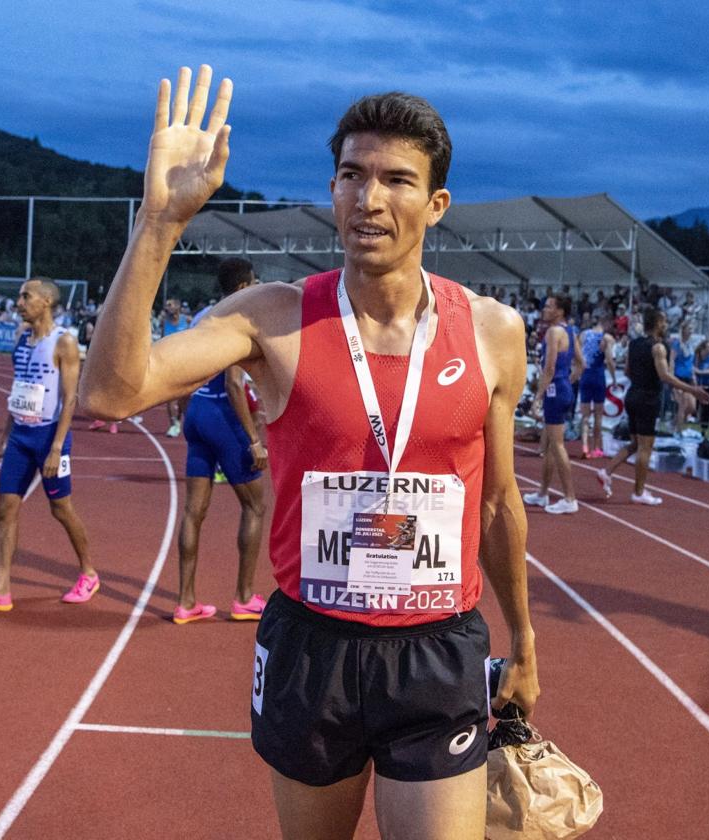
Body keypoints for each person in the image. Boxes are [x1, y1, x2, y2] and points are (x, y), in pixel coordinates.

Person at [80, 66, 538, 840]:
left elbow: (497, 503)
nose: (370, 199)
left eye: (397, 180)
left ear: (436, 204)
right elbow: (111, 393)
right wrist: (159, 223)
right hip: (313, 646)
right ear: (332, 189)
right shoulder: (274, 319)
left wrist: (525, 641)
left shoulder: (492, 331)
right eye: (352, 176)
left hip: (436, 648)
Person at [0, 278, 99, 611]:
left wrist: (56, 447)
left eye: (25, 296)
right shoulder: (21, 339)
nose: (18, 302)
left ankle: (88, 572)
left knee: (60, 509)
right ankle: (1, 589)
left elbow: (69, 399)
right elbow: (18, 389)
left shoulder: (64, 342)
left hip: (49, 436)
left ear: (46, 301)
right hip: (20, 435)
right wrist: (5, 437)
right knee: (5, 508)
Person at [175, 257, 269, 624]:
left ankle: (186, 601)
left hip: (197, 413)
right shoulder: (236, 319)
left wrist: (187, 414)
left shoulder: (201, 317)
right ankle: (244, 597)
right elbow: (233, 383)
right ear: (244, 287)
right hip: (221, 415)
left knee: (192, 512)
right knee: (255, 507)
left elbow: (182, 371)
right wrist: (253, 440)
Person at [597, 308, 709, 505]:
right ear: (657, 323)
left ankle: (606, 472)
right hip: (648, 398)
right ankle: (639, 492)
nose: (666, 325)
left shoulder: (634, 343)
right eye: (664, 321)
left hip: (632, 395)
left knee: (634, 443)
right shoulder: (658, 347)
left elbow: (630, 370)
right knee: (645, 447)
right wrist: (693, 390)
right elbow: (664, 376)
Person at [524, 294, 583, 514]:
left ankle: (570, 497)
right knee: (549, 445)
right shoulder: (570, 331)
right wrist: (568, 382)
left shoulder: (553, 332)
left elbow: (548, 369)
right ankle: (542, 493)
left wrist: (538, 397)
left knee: (557, 446)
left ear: (560, 311)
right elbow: (581, 364)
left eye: (549, 307)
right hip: (563, 389)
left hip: (554, 391)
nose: (544, 309)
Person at [576, 313, 617, 458]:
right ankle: (596, 448)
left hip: (585, 376)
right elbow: (610, 361)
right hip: (598, 376)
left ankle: (585, 446)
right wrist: (614, 379)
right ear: (606, 323)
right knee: (598, 416)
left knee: (585, 416)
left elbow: (577, 356)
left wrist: (577, 372)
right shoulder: (607, 338)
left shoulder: (583, 335)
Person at [159, 297, 191, 436]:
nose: (167, 308)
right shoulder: (164, 322)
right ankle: (173, 424)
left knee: (184, 396)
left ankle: (179, 421)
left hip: (185, 363)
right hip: (169, 364)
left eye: (170, 305)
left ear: (178, 307)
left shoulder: (187, 321)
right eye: (166, 305)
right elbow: (161, 340)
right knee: (170, 396)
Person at [669, 320, 697, 435]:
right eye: (689, 329)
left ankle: (674, 423)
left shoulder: (690, 345)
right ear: (683, 330)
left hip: (688, 377)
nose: (691, 331)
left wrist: (693, 374)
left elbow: (691, 362)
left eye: (692, 329)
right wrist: (671, 376)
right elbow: (672, 360)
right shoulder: (677, 344)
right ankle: (679, 431)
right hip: (678, 377)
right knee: (683, 404)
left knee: (691, 407)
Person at [692, 340, 709, 436]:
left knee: (706, 408)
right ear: (703, 348)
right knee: (695, 406)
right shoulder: (696, 356)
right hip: (697, 385)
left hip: (708, 384)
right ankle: (691, 423)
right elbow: (692, 369)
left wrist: (699, 371)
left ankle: (704, 429)